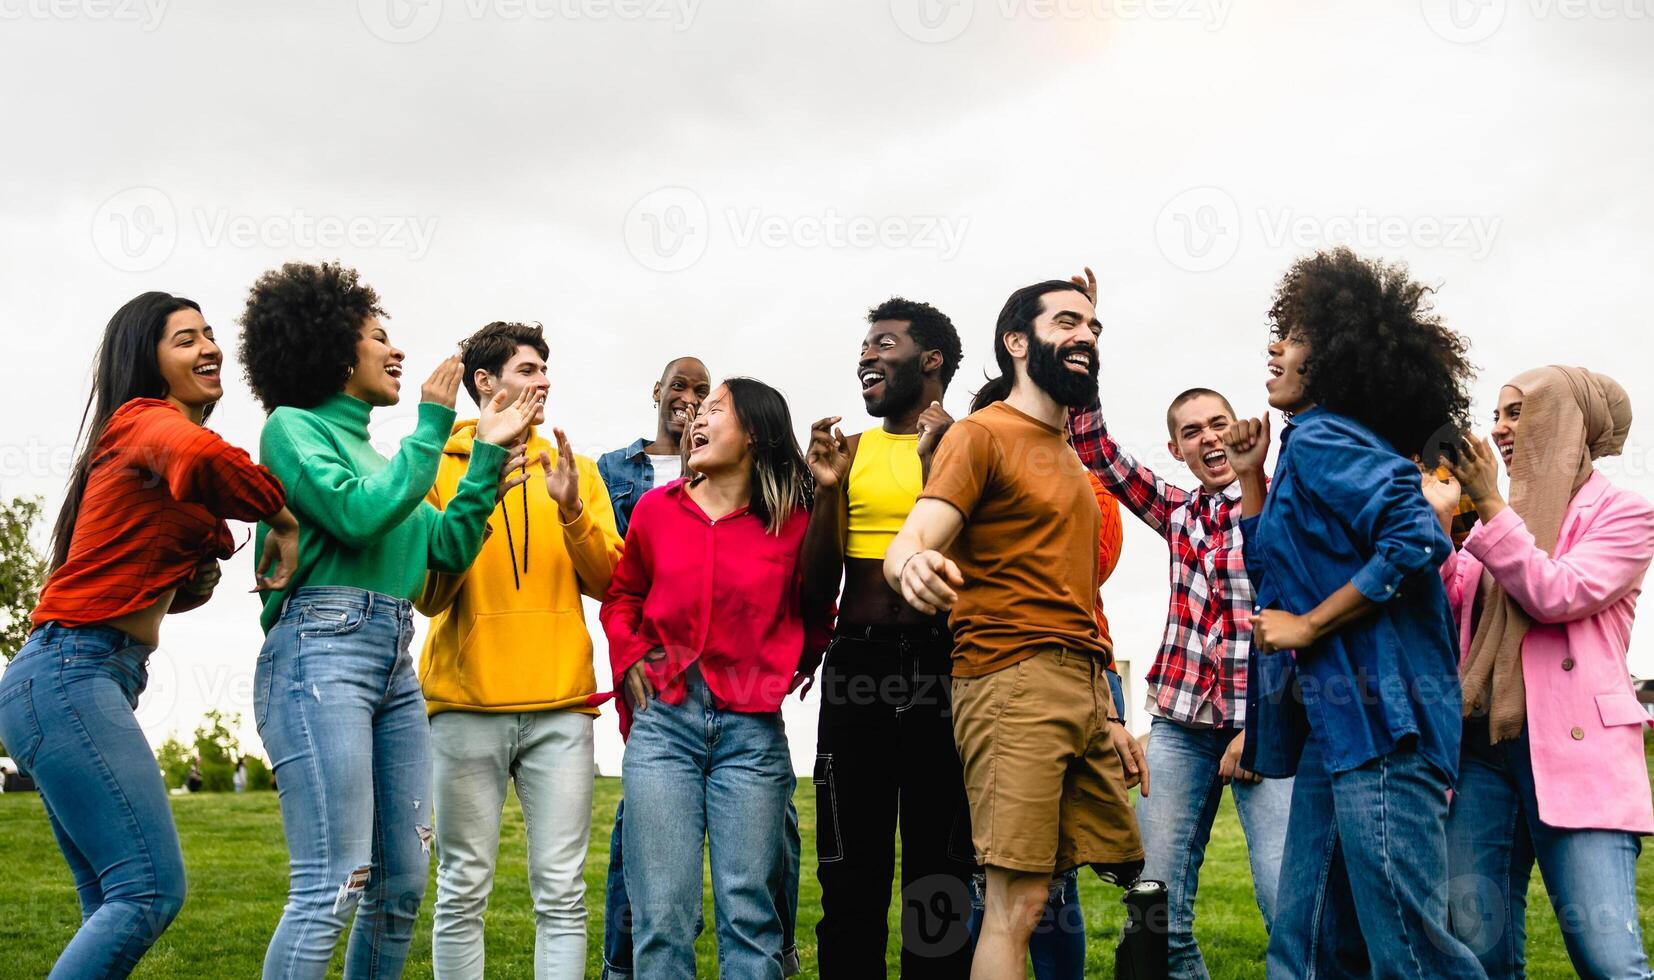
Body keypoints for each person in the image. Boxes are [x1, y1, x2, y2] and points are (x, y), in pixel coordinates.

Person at [240, 261, 539, 979]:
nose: (397, 351)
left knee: (402, 884)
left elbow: (445, 548)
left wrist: (485, 461)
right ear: (334, 350)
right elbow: (357, 512)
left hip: (391, 657)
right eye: (379, 337)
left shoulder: (380, 454)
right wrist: (434, 425)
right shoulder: (293, 431)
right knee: (334, 878)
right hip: (320, 650)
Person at [0, 291, 298, 978]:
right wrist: (283, 520)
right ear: (150, 362)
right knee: (148, 890)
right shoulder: (144, 420)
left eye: (210, 334)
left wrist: (195, 579)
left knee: (110, 899)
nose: (209, 348)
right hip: (71, 673)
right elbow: (206, 458)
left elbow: (146, 577)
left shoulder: (147, 453)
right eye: (185, 340)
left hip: (76, 675)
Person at [1223, 247, 1485, 977]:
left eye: (1297, 336)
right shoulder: (1308, 447)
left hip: (1383, 724)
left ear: (1337, 358)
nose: (1277, 347)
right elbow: (1276, 573)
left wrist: (1309, 627)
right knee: (1307, 943)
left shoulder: (1326, 437)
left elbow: (1416, 536)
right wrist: (1251, 480)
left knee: (1409, 950)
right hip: (1334, 732)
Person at [884, 279, 1146, 979]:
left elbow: (1081, 601)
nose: (1087, 334)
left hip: (1080, 688)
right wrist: (910, 565)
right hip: (1010, 684)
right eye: (1067, 321)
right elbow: (913, 540)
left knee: (1091, 885)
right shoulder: (982, 434)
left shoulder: (1066, 453)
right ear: (1018, 342)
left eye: (1094, 324)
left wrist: (1108, 711)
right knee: (1015, 904)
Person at [1065, 266, 1292, 977]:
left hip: (1268, 725)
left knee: (1287, 899)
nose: (1209, 438)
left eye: (1219, 423)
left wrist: (1262, 720)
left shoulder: (1284, 505)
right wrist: (1083, 338)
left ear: (1245, 429)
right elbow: (1096, 448)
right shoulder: (1178, 512)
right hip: (1182, 728)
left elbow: (1301, 620)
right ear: (1178, 450)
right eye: (1192, 432)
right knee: (1154, 904)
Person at [601, 377, 833, 980]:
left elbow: (816, 613)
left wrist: (783, 667)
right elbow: (623, 598)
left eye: (715, 410)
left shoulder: (794, 522)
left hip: (751, 735)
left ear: (754, 432)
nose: (697, 419)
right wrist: (630, 662)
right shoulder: (657, 510)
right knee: (662, 918)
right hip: (664, 730)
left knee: (750, 918)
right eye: (697, 411)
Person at [415, 321, 623, 979]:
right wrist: (477, 503)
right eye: (528, 369)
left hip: (563, 708)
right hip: (464, 707)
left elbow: (612, 583)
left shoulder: (577, 470)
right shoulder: (436, 470)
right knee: (460, 889)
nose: (543, 381)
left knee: (562, 893)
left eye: (544, 369)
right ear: (485, 382)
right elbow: (429, 593)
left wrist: (572, 513)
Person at [1432, 368, 1654, 978]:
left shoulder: (1627, 513)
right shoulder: (1491, 519)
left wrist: (1493, 508)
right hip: (1481, 747)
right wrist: (1441, 526)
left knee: (1607, 959)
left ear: (1565, 419)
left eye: (1516, 413)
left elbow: (1556, 594)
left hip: (1577, 751)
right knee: (1477, 950)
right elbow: (1453, 610)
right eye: (1497, 413)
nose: (1498, 428)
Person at [798, 297, 976, 977]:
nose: (866, 356)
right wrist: (828, 490)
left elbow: (973, 558)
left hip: (944, 669)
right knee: (849, 872)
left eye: (884, 343)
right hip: (858, 668)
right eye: (864, 346)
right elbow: (817, 588)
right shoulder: (850, 452)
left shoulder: (970, 443)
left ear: (930, 361)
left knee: (940, 875)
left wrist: (938, 462)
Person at [597, 357, 711, 538]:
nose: (690, 399)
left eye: (701, 392)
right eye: (678, 386)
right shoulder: (612, 466)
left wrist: (691, 471)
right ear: (657, 391)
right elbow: (602, 544)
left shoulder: (715, 470)